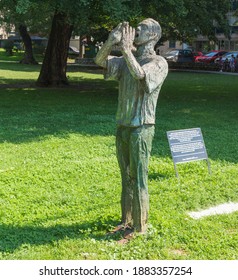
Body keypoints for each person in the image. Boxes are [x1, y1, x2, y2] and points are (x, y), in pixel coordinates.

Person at [94, 19, 168, 241]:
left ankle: (140, 226)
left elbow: (141, 75)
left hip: (141, 127)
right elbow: (100, 61)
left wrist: (126, 49)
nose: (137, 31)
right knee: (125, 177)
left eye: (143, 28)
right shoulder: (126, 60)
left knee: (139, 177)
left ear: (154, 35)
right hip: (123, 125)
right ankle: (125, 221)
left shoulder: (159, 62)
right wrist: (111, 42)